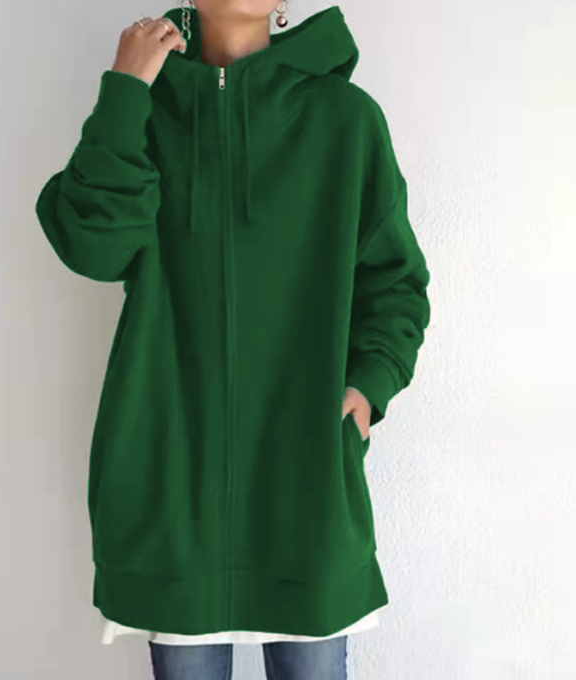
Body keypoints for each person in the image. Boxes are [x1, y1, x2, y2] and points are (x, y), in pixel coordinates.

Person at [34, 0, 431, 677]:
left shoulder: (346, 120)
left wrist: (369, 387)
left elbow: (395, 283)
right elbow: (93, 247)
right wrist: (125, 89)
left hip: (305, 484)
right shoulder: (144, 113)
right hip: (171, 484)